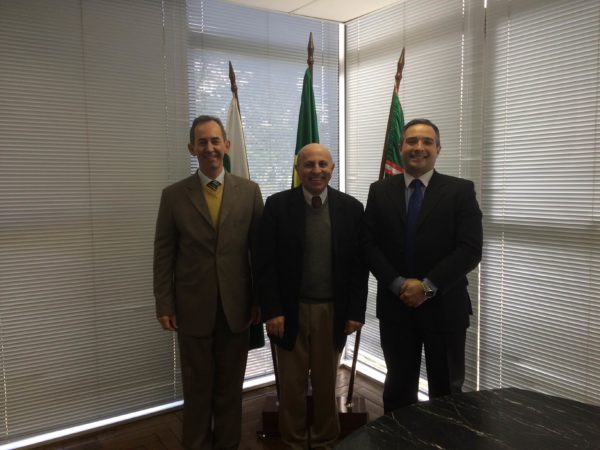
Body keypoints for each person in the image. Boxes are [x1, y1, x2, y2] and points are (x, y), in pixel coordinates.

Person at [153, 115, 263, 449]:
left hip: (237, 308)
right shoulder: (174, 196)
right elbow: (164, 254)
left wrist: (260, 299)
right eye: (202, 142)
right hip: (192, 309)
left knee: (230, 390)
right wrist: (164, 304)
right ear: (192, 148)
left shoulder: (249, 192)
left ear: (227, 145)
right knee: (197, 391)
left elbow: (259, 252)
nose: (210, 148)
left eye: (215, 140)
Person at [362, 118, 483, 413]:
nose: (419, 147)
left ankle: (445, 438)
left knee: (447, 394)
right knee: (398, 390)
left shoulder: (460, 190)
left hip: (445, 307)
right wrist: (398, 284)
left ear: (438, 149)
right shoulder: (379, 190)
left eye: (427, 142)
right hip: (396, 307)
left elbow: (470, 249)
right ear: (401, 147)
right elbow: (368, 245)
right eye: (412, 141)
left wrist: (426, 288)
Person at [258, 143, 368, 450]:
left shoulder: (351, 208)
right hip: (288, 311)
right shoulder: (277, 205)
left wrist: (355, 312)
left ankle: (325, 440)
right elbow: (264, 263)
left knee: (326, 383)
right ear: (298, 169)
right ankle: (292, 441)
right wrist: (272, 310)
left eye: (322, 164)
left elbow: (359, 266)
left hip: (332, 312)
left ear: (332, 168)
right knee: (291, 385)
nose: (316, 170)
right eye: (308, 164)